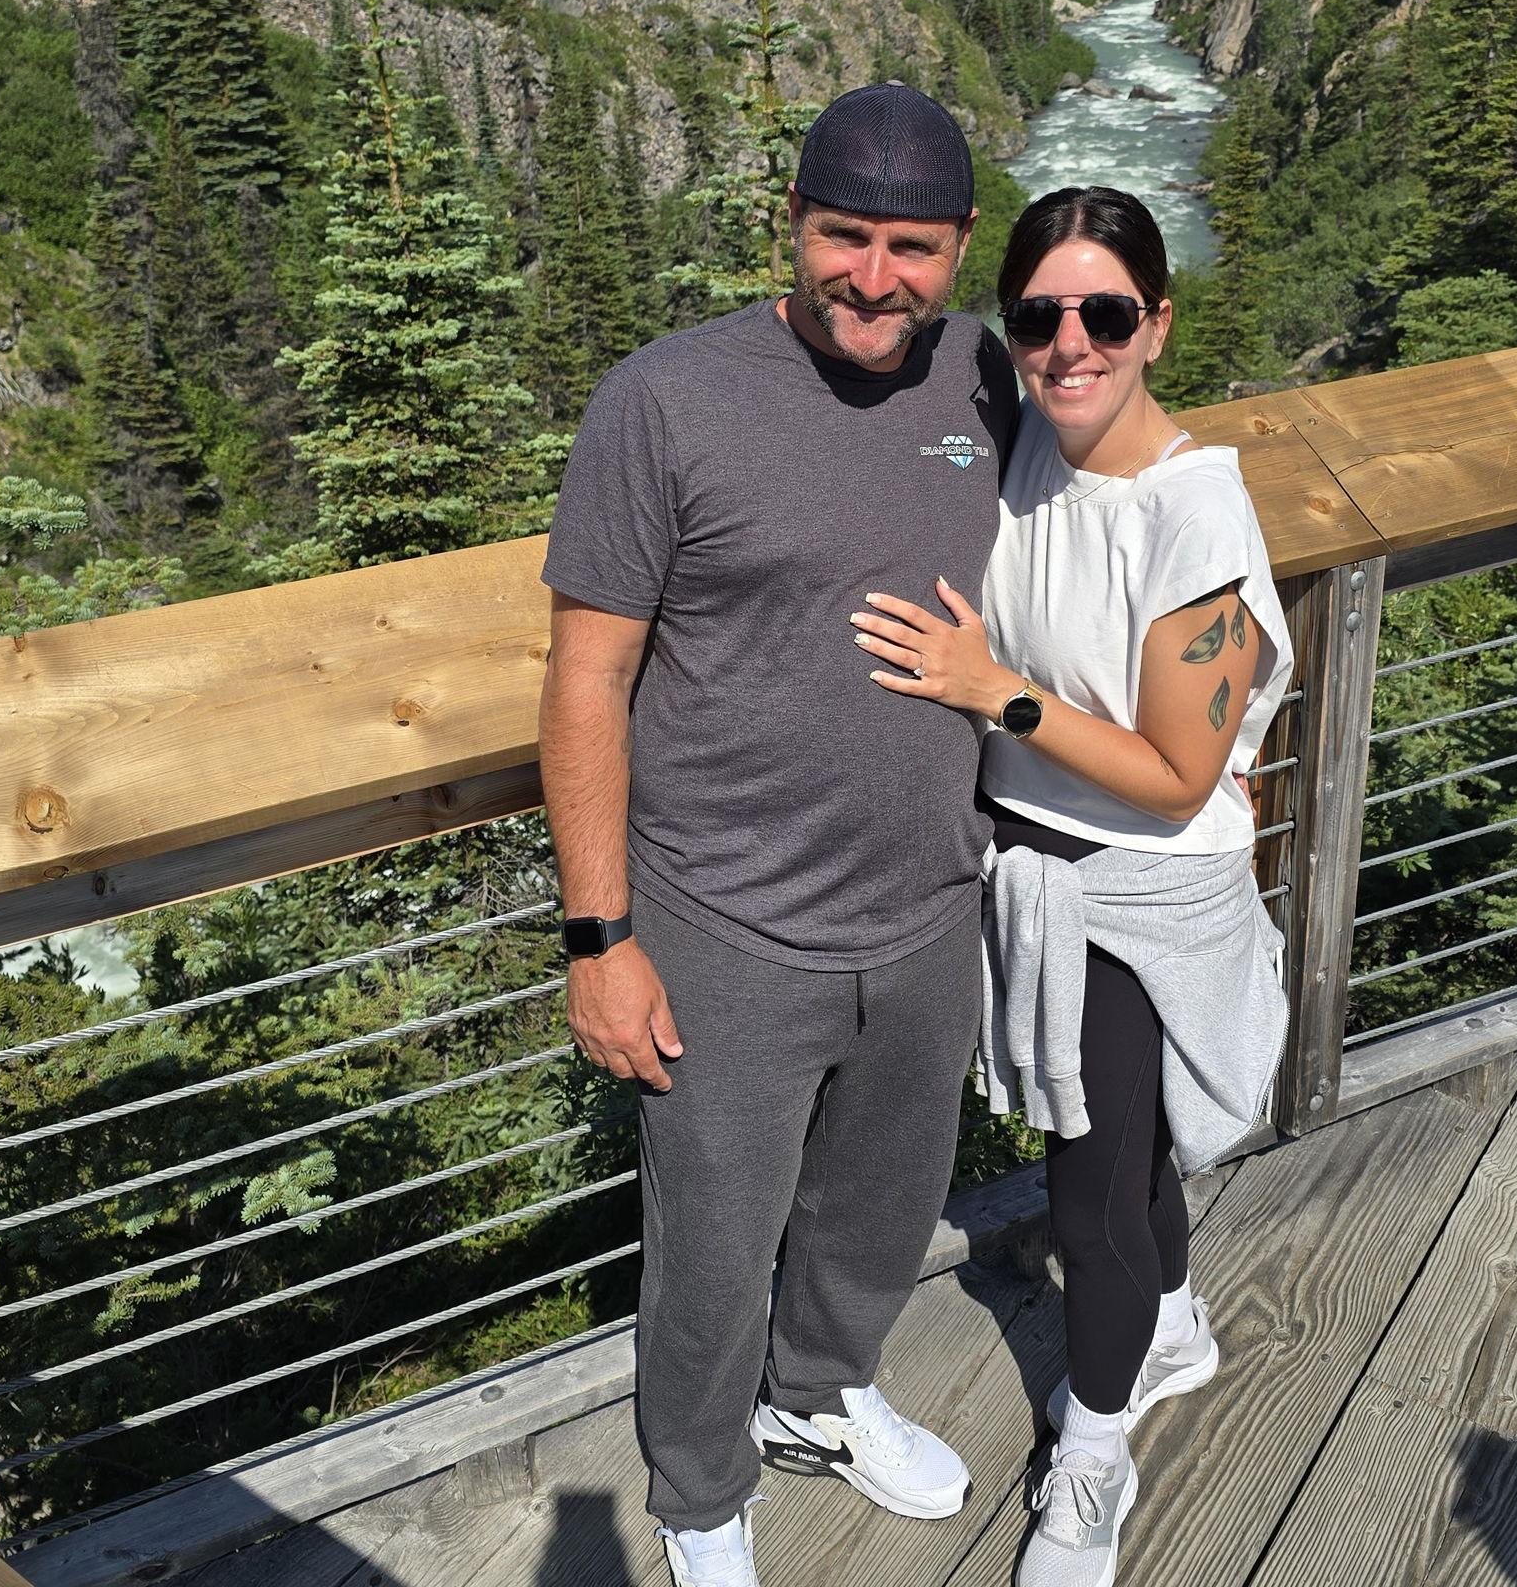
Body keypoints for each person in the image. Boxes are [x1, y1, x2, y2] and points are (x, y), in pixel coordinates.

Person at [536, 84, 1020, 1587]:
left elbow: (1121, 515)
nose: (873, 278)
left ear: (959, 247)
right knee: (712, 1245)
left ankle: (818, 1395)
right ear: (790, 224)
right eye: (842, 237)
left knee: (882, 1207)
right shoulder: (665, 401)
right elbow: (587, 677)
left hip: (931, 899)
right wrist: (600, 938)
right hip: (724, 921)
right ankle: (699, 1497)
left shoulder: (989, 378)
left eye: (911, 249)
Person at [849, 184, 1294, 1587]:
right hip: (1040, 866)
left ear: (1157, 324)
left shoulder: (1193, 518)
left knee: (1089, 1194)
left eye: (1105, 314)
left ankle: (1095, 1459)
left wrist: (995, 693)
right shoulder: (1028, 437)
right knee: (1128, 1155)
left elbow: (1173, 775)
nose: (1070, 345)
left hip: (1140, 889)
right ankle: (1172, 1325)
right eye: (1040, 318)